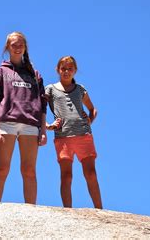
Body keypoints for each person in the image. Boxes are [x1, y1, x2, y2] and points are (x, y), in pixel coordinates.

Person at [0, 31, 47, 204]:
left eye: (21, 44)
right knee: (2, 168)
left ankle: (30, 209)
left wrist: (43, 130)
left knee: (29, 170)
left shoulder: (35, 75)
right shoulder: (0, 72)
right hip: (7, 123)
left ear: (25, 47)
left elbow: (43, 104)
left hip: (30, 124)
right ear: (7, 47)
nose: (17, 47)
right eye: (14, 44)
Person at [45, 55, 103, 209]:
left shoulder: (80, 89)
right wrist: (47, 125)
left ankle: (100, 209)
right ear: (57, 70)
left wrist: (89, 120)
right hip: (63, 137)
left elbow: (93, 109)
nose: (66, 71)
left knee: (90, 173)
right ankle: (68, 211)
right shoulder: (50, 89)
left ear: (75, 70)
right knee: (66, 176)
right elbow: (39, 108)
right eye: (63, 68)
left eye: (70, 68)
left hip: (83, 135)